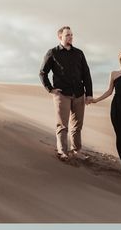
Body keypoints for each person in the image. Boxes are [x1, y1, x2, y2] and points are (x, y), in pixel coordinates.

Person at [39, 26, 93, 161]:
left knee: (77, 125)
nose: (70, 37)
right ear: (60, 37)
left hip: (79, 94)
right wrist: (50, 89)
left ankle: (76, 150)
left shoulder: (79, 53)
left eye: (71, 35)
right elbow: (43, 73)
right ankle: (62, 151)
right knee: (62, 125)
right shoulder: (52, 52)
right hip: (62, 94)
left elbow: (86, 74)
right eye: (68, 35)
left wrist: (89, 94)